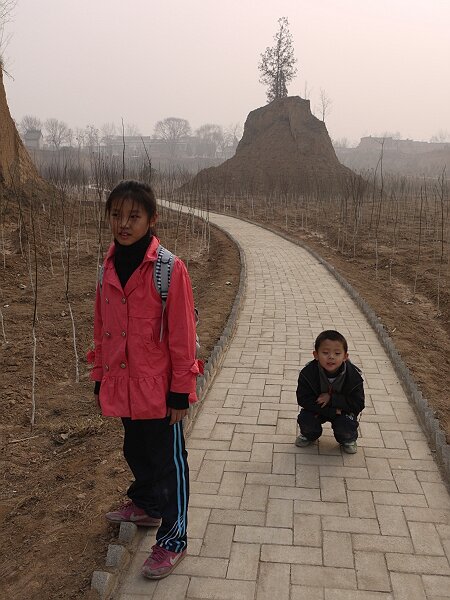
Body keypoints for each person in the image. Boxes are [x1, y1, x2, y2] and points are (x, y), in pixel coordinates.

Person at [88, 180, 201, 579]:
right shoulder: (107, 265)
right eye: (116, 214)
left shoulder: (169, 270)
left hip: (159, 391)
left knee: (169, 464)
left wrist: (180, 391)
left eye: (133, 216)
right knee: (135, 450)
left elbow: (183, 337)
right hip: (123, 385)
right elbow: (102, 326)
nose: (123, 223)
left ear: (152, 220)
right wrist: (101, 373)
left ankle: (173, 538)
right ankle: (148, 506)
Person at [295, 330, 364, 454]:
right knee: (306, 418)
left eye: (337, 353)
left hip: (342, 411)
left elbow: (358, 404)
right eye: (325, 353)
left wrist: (332, 398)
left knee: (346, 424)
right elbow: (303, 399)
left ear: (345, 357)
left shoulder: (354, 377)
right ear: (315, 355)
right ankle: (309, 435)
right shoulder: (307, 373)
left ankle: (348, 439)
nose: (331, 357)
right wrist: (332, 411)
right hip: (319, 408)